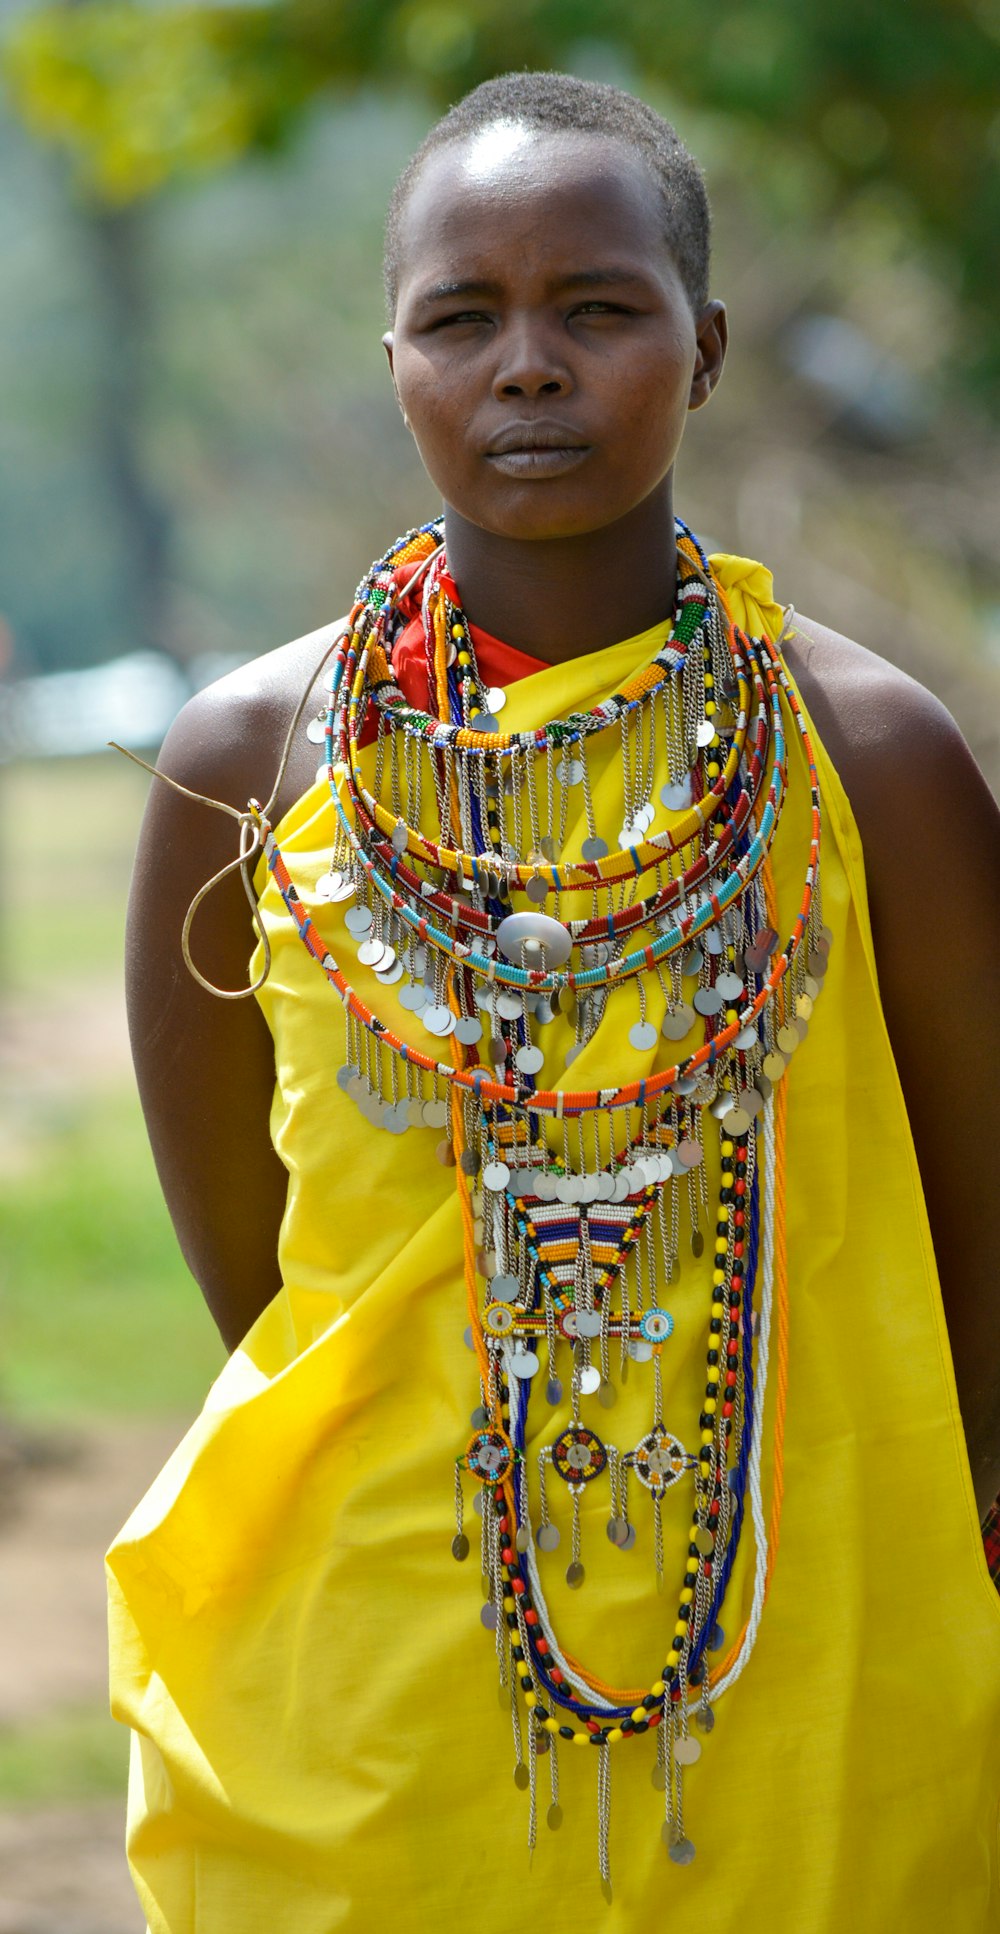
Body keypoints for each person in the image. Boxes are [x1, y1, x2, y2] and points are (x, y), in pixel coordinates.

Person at [108, 71, 1000, 1934]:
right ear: (397, 363)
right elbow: (261, 1276)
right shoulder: (247, 763)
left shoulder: (875, 761)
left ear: (707, 345)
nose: (531, 367)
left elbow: (988, 1263)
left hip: (808, 1642)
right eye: (465, 317)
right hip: (363, 1680)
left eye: (599, 307)